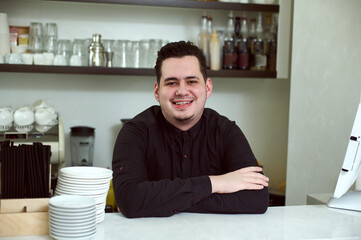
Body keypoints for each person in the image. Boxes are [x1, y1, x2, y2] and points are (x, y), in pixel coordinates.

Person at [112, 41, 269, 218]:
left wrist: (160, 202)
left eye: (191, 81)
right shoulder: (134, 132)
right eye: (171, 83)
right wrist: (214, 184)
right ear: (157, 91)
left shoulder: (226, 131)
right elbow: (130, 200)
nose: (182, 91)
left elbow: (256, 199)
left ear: (207, 88)